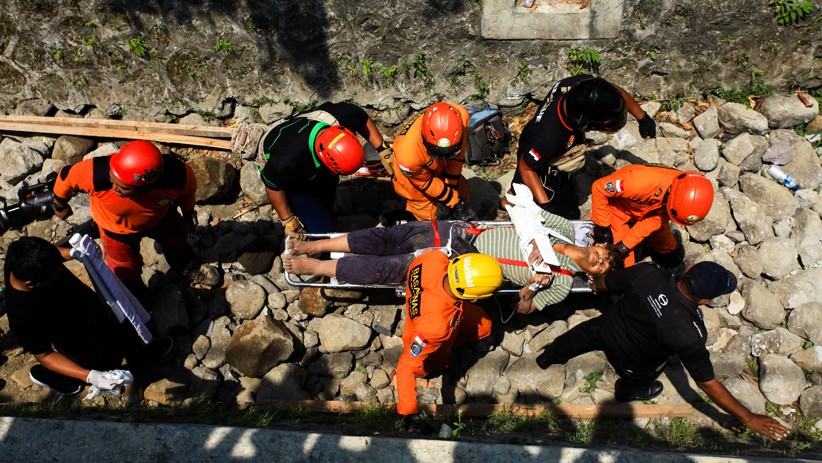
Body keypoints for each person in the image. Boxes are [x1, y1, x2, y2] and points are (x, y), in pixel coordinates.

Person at [535, 261, 789, 441]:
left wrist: (596, 287)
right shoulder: (691, 333)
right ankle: (626, 392)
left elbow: (607, 283)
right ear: (705, 301)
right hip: (634, 363)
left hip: (604, 329)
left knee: (577, 337)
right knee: (644, 376)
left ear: (688, 269)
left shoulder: (648, 273)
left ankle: (548, 357)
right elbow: (706, 382)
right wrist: (747, 417)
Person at [284, 209, 621, 314]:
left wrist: (533, 287)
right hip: (465, 235)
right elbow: (520, 208)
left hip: (466, 271)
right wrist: (533, 234)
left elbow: (522, 308)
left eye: (603, 267)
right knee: (388, 237)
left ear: (593, 275)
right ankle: (316, 246)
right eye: (605, 255)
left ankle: (317, 267)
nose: (600, 260)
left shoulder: (561, 283)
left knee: (391, 270)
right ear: (600, 245)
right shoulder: (563, 229)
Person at [4, 237, 173, 396]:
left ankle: (142, 358)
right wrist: (89, 376)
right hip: (75, 338)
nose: (60, 271)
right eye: (54, 274)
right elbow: (45, 355)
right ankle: (57, 377)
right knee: (103, 365)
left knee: (120, 328)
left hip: (88, 306)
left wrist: (74, 253)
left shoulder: (20, 253)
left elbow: (53, 253)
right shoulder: (22, 315)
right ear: (31, 284)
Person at [51, 140, 198, 301]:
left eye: (123, 187)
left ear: (146, 186)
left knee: (176, 241)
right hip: (115, 229)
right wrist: (59, 204)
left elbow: (187, 196)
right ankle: (139, 298)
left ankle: (187, 267)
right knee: (124, 268)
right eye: (112, 180)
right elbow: (66, 177)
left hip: (160, 218)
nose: (114, 187)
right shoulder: (97, 172)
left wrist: (187, 219)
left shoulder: (177, 175)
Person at [508, 75, 656, 219]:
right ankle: (506, 206)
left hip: (557, 129)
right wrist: (546, 206)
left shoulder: (583, 87)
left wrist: (643, 118)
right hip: (535, 143)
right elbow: (526, 168)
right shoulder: (549, 138)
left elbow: (612, 91)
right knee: (526, 185)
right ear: (584, 124)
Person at [395, 251, 502, 433]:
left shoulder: (434, 258)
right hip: (432, 324)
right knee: (431, 365)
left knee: (485, 326)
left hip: (444, 306)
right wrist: (410, 414)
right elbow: (406, 366)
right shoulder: (433, 328)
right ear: (473, 299)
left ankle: (452, 342)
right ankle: (441, 360)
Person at [258, 101, 389, 237]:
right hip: (295, 176)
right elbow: (272, 185)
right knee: (320, 233)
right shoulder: (286, 161)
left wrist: (383, 150)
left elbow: (361, 117)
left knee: (326, 201)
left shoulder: (345, 116)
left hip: (307, 146)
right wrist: (288, 219)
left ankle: (324, 209)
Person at [590, 164, 713, 268]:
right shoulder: (636, 183)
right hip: (619, 210)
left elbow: (653, 221)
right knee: (624, 264)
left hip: (652, 211)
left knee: (667, 247)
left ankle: (667, 260)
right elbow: (599, 188)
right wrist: (603, 227)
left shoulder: (681, 192)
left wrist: (624, 246)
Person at [391, 102, 476, 222]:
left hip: (435, 165)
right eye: (439, 154)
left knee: (462, 193)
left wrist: (452, 191)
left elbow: (457, 159)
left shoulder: (461, 118)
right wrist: (450, 198)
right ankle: (403, 217)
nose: (443, 158)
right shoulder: (408, 155)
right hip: (416, 177)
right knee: (430, 215)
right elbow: (426, 183)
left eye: (449, 154)